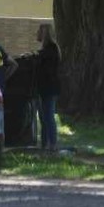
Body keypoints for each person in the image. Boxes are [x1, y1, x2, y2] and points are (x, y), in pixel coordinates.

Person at [34, 23, 61, 151]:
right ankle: (45, 145)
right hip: (45, 88)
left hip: (48, 88)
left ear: (44, 33)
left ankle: (53, 144)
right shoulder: (48, 49)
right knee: (44, 118)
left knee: (48, 116)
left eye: (39, 31)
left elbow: (46, 70)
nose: (37, 33)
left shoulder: (50, 49)